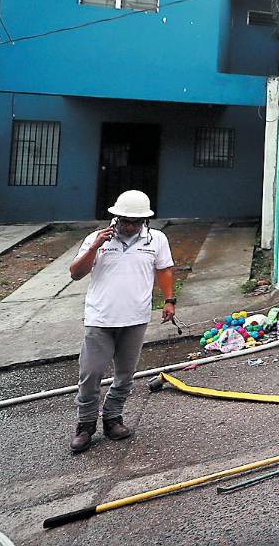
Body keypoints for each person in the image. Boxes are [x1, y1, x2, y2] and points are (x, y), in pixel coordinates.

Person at [67, 190, 175, 453]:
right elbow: (76, 273)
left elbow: (164, 269)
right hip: (100, 319)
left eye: (136, 222)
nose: (129, 227)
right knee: (91, 373)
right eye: (125, 221)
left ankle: (113, 418)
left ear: (144, 221)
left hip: (135, 318)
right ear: (116, 218)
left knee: (125, 374)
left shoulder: (156, 239)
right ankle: (85, 425)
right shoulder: (97, 239)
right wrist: (95, 247)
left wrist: (169, 300)